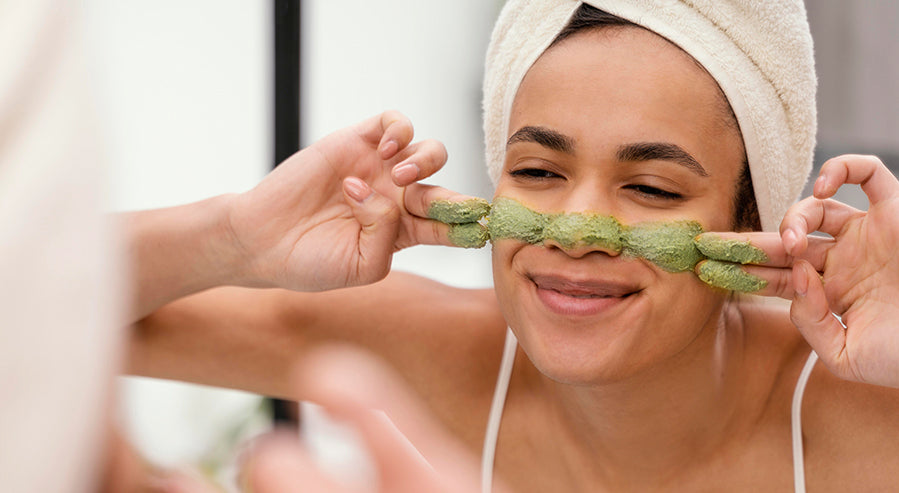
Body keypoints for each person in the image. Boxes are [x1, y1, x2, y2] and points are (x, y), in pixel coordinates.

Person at [126, 1, 899, 492]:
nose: (576, 230)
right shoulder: (450, 351)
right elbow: (36, 308)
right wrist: (235, 238)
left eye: (653, 188)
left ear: (748, 222)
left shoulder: (862, 416)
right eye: (536, 170)